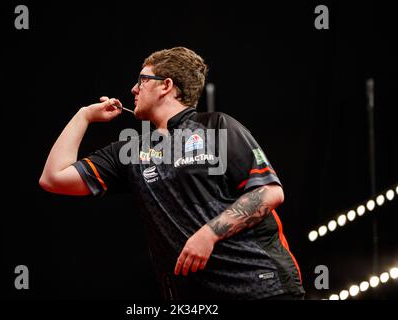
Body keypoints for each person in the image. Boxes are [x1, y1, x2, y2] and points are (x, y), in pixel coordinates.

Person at [39, 47, 305, 300]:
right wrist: (83, 116)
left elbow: (270, 191)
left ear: (165, 85)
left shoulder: (217, 127)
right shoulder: (132, 150)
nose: (133, 89)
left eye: (142, 80)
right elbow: (53, 178)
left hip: (262, 286)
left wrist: (209, 233)